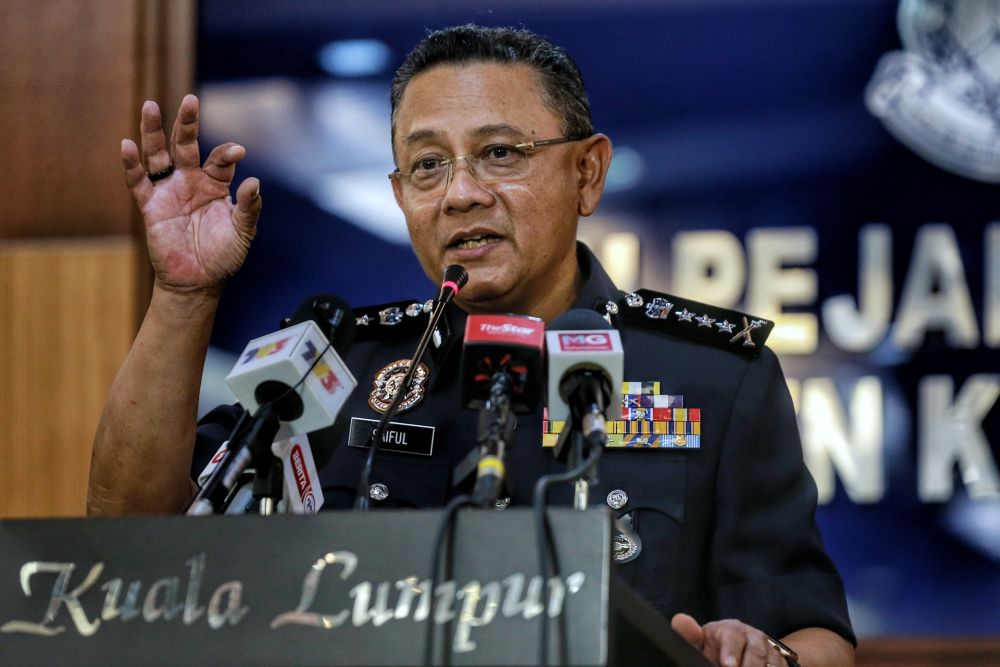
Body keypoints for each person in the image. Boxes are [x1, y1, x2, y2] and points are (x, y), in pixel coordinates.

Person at [88, 24, 855, 667]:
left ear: (587, 175)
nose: (460, 192)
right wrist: (184, 295)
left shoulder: (714, 375)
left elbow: (816, 631)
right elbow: (130, 539)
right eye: (428, 164)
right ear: (400, 196)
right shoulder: (332, 368)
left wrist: (765, 654)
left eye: (500, 153)